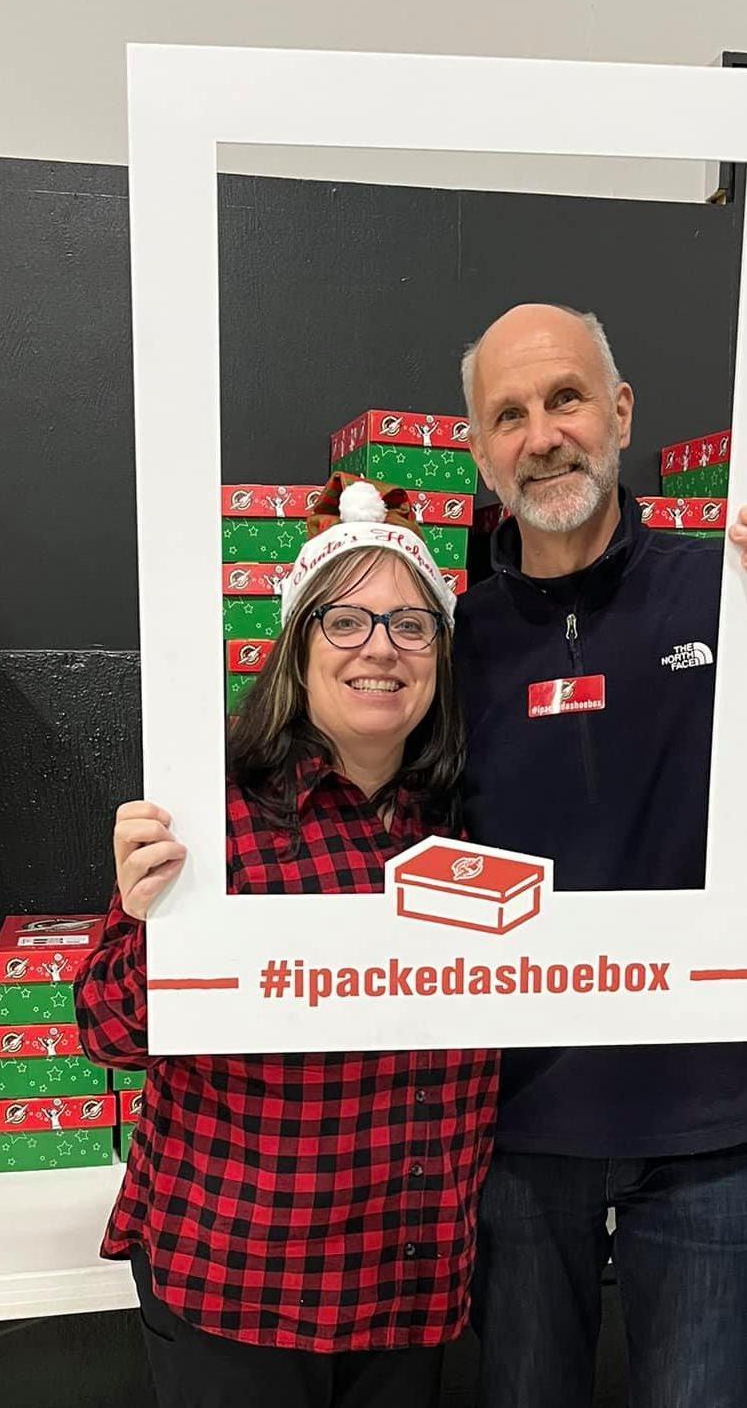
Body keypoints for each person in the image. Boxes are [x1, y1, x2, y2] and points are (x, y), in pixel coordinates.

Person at [456, 302, 747, 1408]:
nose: (542, 434)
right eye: (508, 414)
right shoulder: (456, 641)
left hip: (704, 1123)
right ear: (480, 450)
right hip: (518, 1122)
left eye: (566, 397)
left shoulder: (734, 592)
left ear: (622, 411)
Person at [73, 473, 498, 1408]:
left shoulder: (472, 826)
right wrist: (145, 916)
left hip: (410, 1288)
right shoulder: (217, 815)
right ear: (297, 650)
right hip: (241, 1289)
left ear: (439, 654)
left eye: (411, 625)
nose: (379, 647)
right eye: (344, 622)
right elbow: (107, 1030)